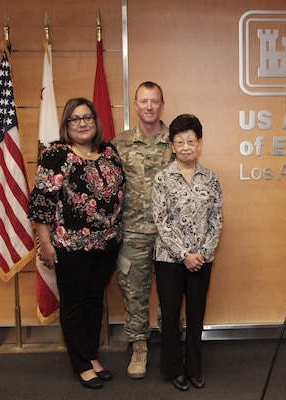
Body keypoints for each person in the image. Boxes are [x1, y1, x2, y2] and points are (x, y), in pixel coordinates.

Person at [28, 98, 125, 390]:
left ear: (96, 121)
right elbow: (41, 204)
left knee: (95, 302)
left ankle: (92, 356)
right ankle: (81, 364)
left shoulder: (109, 151)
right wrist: (45, 244)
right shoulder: (55, 155)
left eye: (87, 118)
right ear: (66, 124)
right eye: (75, 119)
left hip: (107, 244)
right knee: (74, 304)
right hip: (69, 246)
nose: (82, 124)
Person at [153, 114, 223, 391]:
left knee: (196, 314)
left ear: (199, 144)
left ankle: (194, 367)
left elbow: (217, 218)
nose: (185, 147)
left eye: (190, 141)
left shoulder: (211, 179)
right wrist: (184, 254)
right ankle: (174, 368)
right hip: (169, 259)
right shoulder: (162, 179)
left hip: (202, 260)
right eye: (179, 141)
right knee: (170, 316)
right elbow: (161, 221)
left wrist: (202, 253)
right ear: (172, 145)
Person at [112, 81, 174, 379]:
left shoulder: (176, 141)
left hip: (169, 236)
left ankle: (172, 345)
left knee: (171, 293)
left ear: (162, 105)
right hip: (133, 232)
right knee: (134, 294)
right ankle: (139, 348)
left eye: (155, 101)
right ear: (135, 105)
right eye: (144, 101)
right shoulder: (119, 144)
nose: (149, 106)